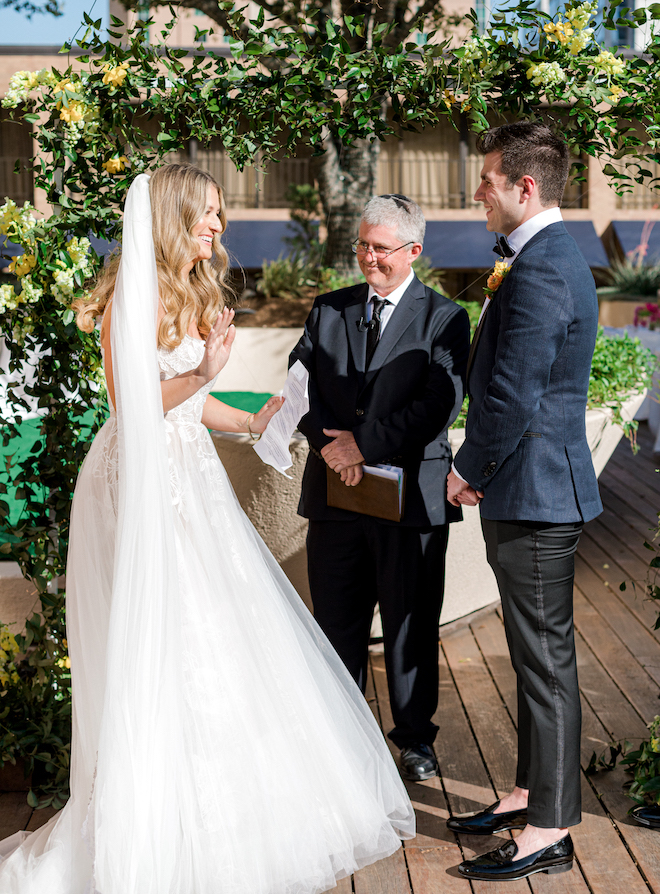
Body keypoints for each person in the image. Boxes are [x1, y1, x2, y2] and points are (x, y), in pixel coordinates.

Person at [0, 164, 415, 893]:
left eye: (219, 216)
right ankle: (156, 821)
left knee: (218, 627)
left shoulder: (194, 290)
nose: (219, 228)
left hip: (188, 472)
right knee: (164, 634)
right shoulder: (130, 294)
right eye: (209, 216)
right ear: (174, 218)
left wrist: (258, 417)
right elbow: (137, 403)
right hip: (138, 482)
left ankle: (223, 811)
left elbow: (195, 406)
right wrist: (205, 374)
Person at [445, 122, 602, 882]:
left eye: (487, 179)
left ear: (524, 187)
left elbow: (513, 392)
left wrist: (466, 466)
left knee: (545, 664)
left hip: (536, 492)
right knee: (535, 657)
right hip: (532, 488)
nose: (479, 192)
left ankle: (549, 830)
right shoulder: (544, 256)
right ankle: (527, 794)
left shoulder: (541, 268)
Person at [290, 194, 470, 783]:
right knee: (336, 622)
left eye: (381, 248)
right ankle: (343, 734)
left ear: (413, 251)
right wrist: (331, 447)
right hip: (336, 498)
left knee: (409, 625)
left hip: (409, 505)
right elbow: (298, 388)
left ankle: (415, 739)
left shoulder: (445, 318)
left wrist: (362, 446)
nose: (368, 257)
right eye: (362, 245)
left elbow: (438, 405)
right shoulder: (327, 310)